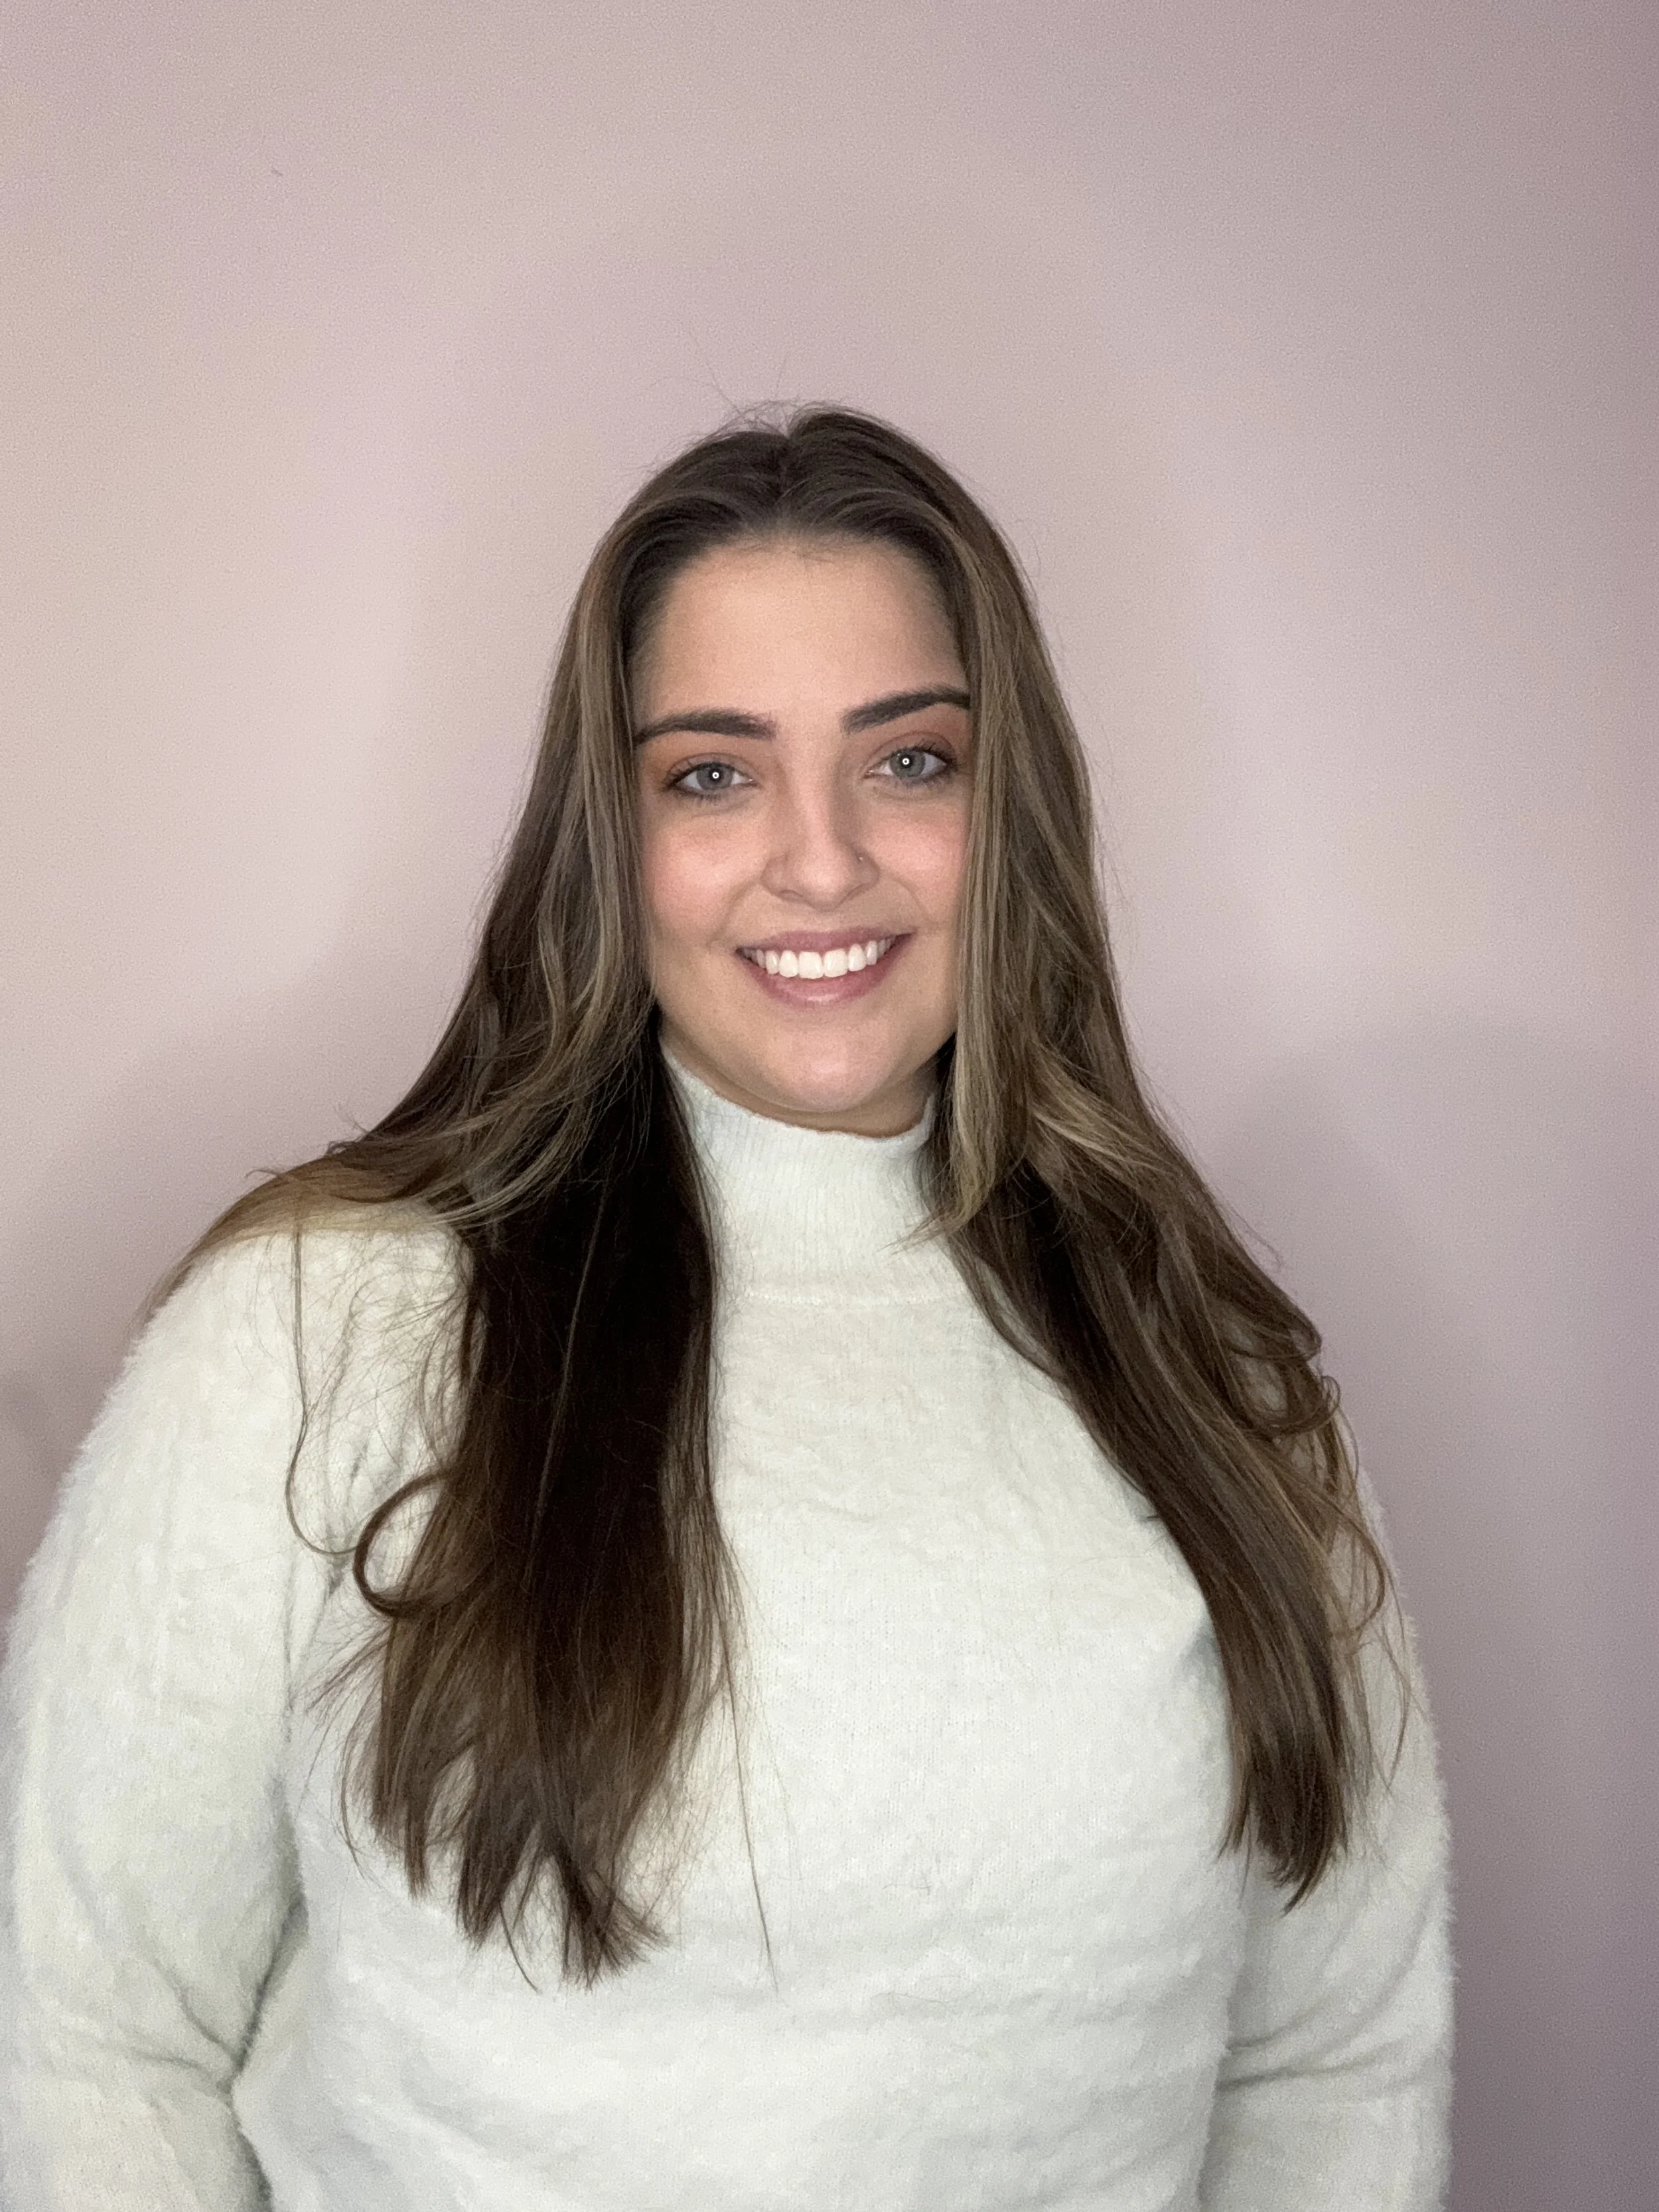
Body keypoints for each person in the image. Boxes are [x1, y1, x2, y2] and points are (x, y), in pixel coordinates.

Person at [0, 407, 1451, 2210]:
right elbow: (84, 2037)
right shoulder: (323, 1324)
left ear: (1009, 810)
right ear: (609, 836)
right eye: (713, 773)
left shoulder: (1208, 1376)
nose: (820, 858)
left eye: (908, 761)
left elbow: (1331, 2061)